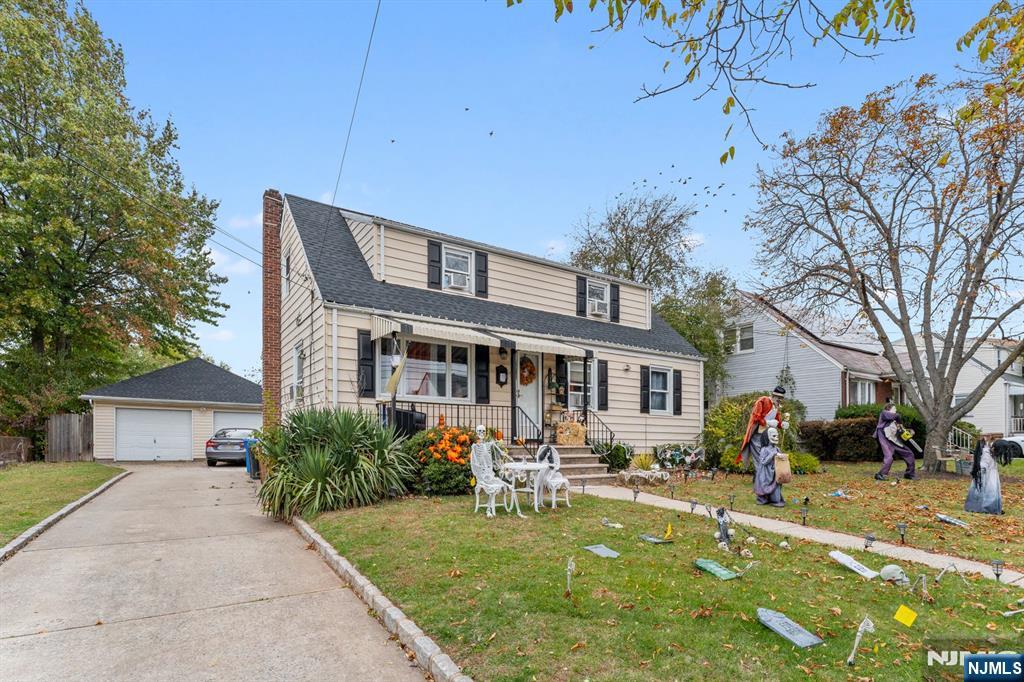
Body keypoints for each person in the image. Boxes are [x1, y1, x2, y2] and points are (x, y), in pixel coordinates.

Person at [735, 386, 790, 467]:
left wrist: (782, 425)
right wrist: (767, 422)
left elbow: (777, 421)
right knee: (759, 458)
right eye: (779, 397)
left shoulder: (776, 406)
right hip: (758, 435)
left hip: (768, 436)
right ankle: (760, 478)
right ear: (774, 395)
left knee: (767, 456)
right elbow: (756, 416)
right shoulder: (763, 400)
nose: (780, 400)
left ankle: (765, 476)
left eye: (781, 398)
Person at [874, 401, 916, 481]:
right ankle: (880, 474)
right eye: (894, 408)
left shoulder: (895, 421)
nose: (896, 410)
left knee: (909, 454)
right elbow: (895, 416)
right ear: (889, 409)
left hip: (894, 441)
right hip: (885, 440)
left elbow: (900, 431)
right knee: (889, 457)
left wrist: (908, 431)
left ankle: (909, 474)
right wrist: (899, 421)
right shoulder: (884, 414)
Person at [965, 438, 1003, 515]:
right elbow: (983, 465)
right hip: (985, 475)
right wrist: (981, 477)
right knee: (987, 492)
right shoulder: (987, 454)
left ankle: (993, 508)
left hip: (991, 474)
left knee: (993, 491)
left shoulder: (992, 453)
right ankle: (985, 508)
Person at [750, 426, 784, 506]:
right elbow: (763, 461)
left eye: (777, 436)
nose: (776, 438)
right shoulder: (764, 449)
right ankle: (763, 499)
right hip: (765, 475)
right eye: (774, 436)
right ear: (768, 437)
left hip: (775, 474)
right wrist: (773, 454)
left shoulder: (777, 449)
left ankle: (773, 498)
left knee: (776, 500)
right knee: (763, 491)